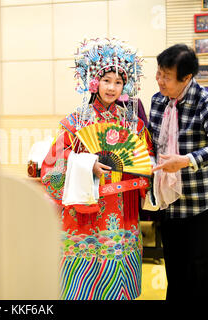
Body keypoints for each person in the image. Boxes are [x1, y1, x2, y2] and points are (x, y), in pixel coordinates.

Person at [41, 38, 154, 300]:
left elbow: (145, 159)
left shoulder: (133, 124)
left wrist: (139, 169)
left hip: (121, 205)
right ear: (94, 82)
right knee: (83, 287)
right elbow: (53, 163)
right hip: (85, 206)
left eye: (118, 82)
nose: (112, 88)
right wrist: (85, 163)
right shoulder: (75, 121)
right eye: (106, 81)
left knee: (118, 273)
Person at [149, 44, 208, 300]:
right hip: (169, 203)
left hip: (201, 204)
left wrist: (186, 160)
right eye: (159, 73)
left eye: (167, 76)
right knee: (175, 272)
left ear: (186, 78)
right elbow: (151, 145)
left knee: (200, 273)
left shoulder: (204, 101)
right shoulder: (157, 101)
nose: (160, 80)